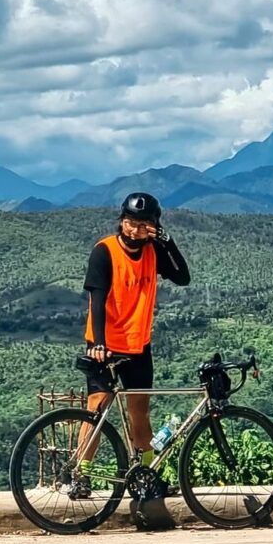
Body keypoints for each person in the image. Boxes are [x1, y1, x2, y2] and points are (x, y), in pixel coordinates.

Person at [76, 192, 190, 497]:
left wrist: (167, 241)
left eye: (144, 225)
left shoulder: (154, 251)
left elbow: (183, 277)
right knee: (96, 411)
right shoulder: (105, 251)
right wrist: (97, 343)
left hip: (139, 346)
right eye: (130, 223)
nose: (135, 230)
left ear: (154, 225)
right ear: (121, 221)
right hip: (106, 346)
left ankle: (147, 475)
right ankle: (80, 475)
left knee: (140, 416)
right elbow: (96, 301)